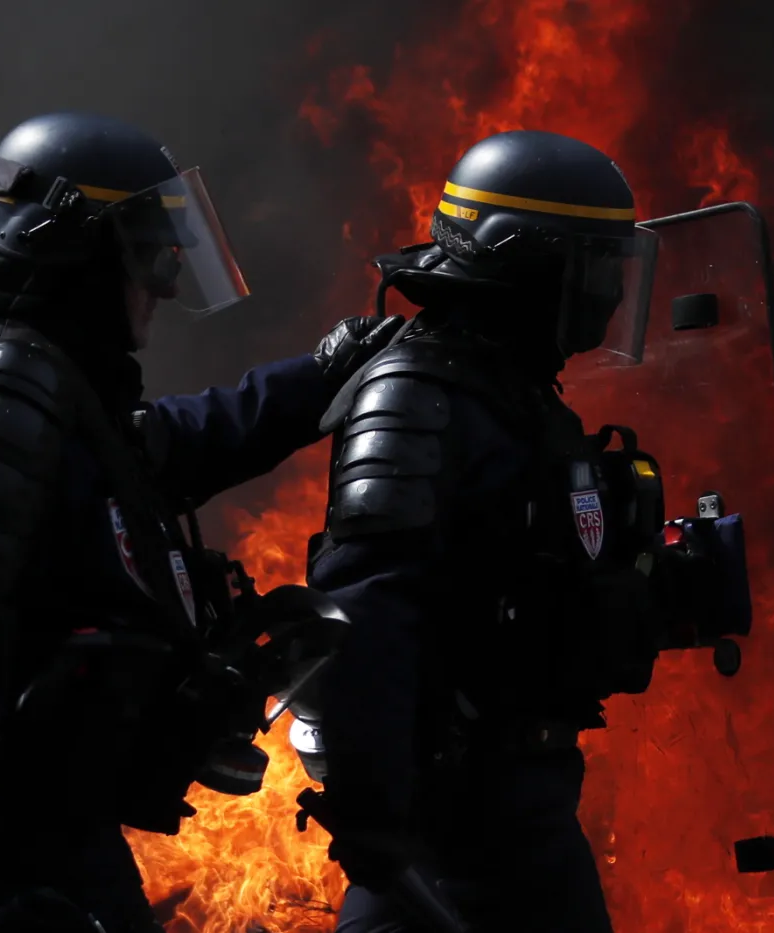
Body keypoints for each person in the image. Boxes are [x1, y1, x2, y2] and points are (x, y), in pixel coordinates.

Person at [0, 112, 400, 933]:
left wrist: (320, 377)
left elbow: (159, 449)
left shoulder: (48, 382)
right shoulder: (3, 401)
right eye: (146, 250)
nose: (167, 281)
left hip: (50, 842)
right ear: (80, 255)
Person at [300, 130, 747, 933]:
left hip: (527, 807)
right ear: (533, 264)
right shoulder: (417, 398)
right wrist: (376, 818)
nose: (614, 291)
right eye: (601, 265)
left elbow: (524, 580)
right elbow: (366, 612)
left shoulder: (514, 396)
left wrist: (657, 586)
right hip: (450, 830)